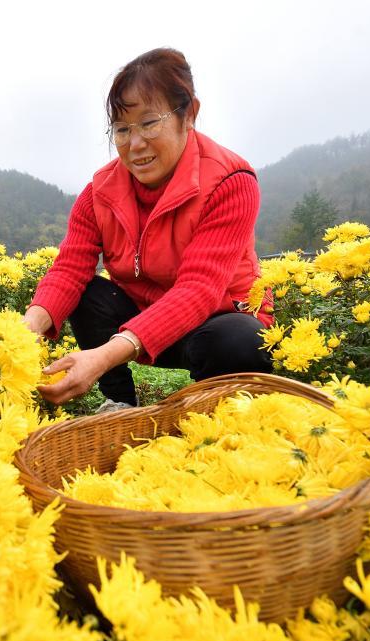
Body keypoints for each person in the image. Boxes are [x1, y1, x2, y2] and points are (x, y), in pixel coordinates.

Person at [24, 48, 274, 410]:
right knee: (87, 292)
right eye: (122, 129)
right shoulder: (99, 193)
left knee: (240, 339)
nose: (135, 143)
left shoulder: (231, 181)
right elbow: (68, 269)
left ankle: (213, 412)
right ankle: (118, 405)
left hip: (214, 323)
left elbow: (199, 290)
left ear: (189, 114)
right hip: (139, 326)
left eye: (149, 123)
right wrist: (24, 331)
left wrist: (104, 355)